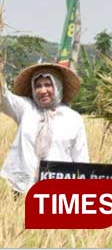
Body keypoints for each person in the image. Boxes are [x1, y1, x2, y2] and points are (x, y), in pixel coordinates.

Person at [1, 61, 88, 194]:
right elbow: (3, 96)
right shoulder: (25, 108)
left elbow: (81, 159)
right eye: (38, 86)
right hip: (21, 188)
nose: (42, 91)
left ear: (58, 86)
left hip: (57, 190)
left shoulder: (73, 118)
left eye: (48, 85)